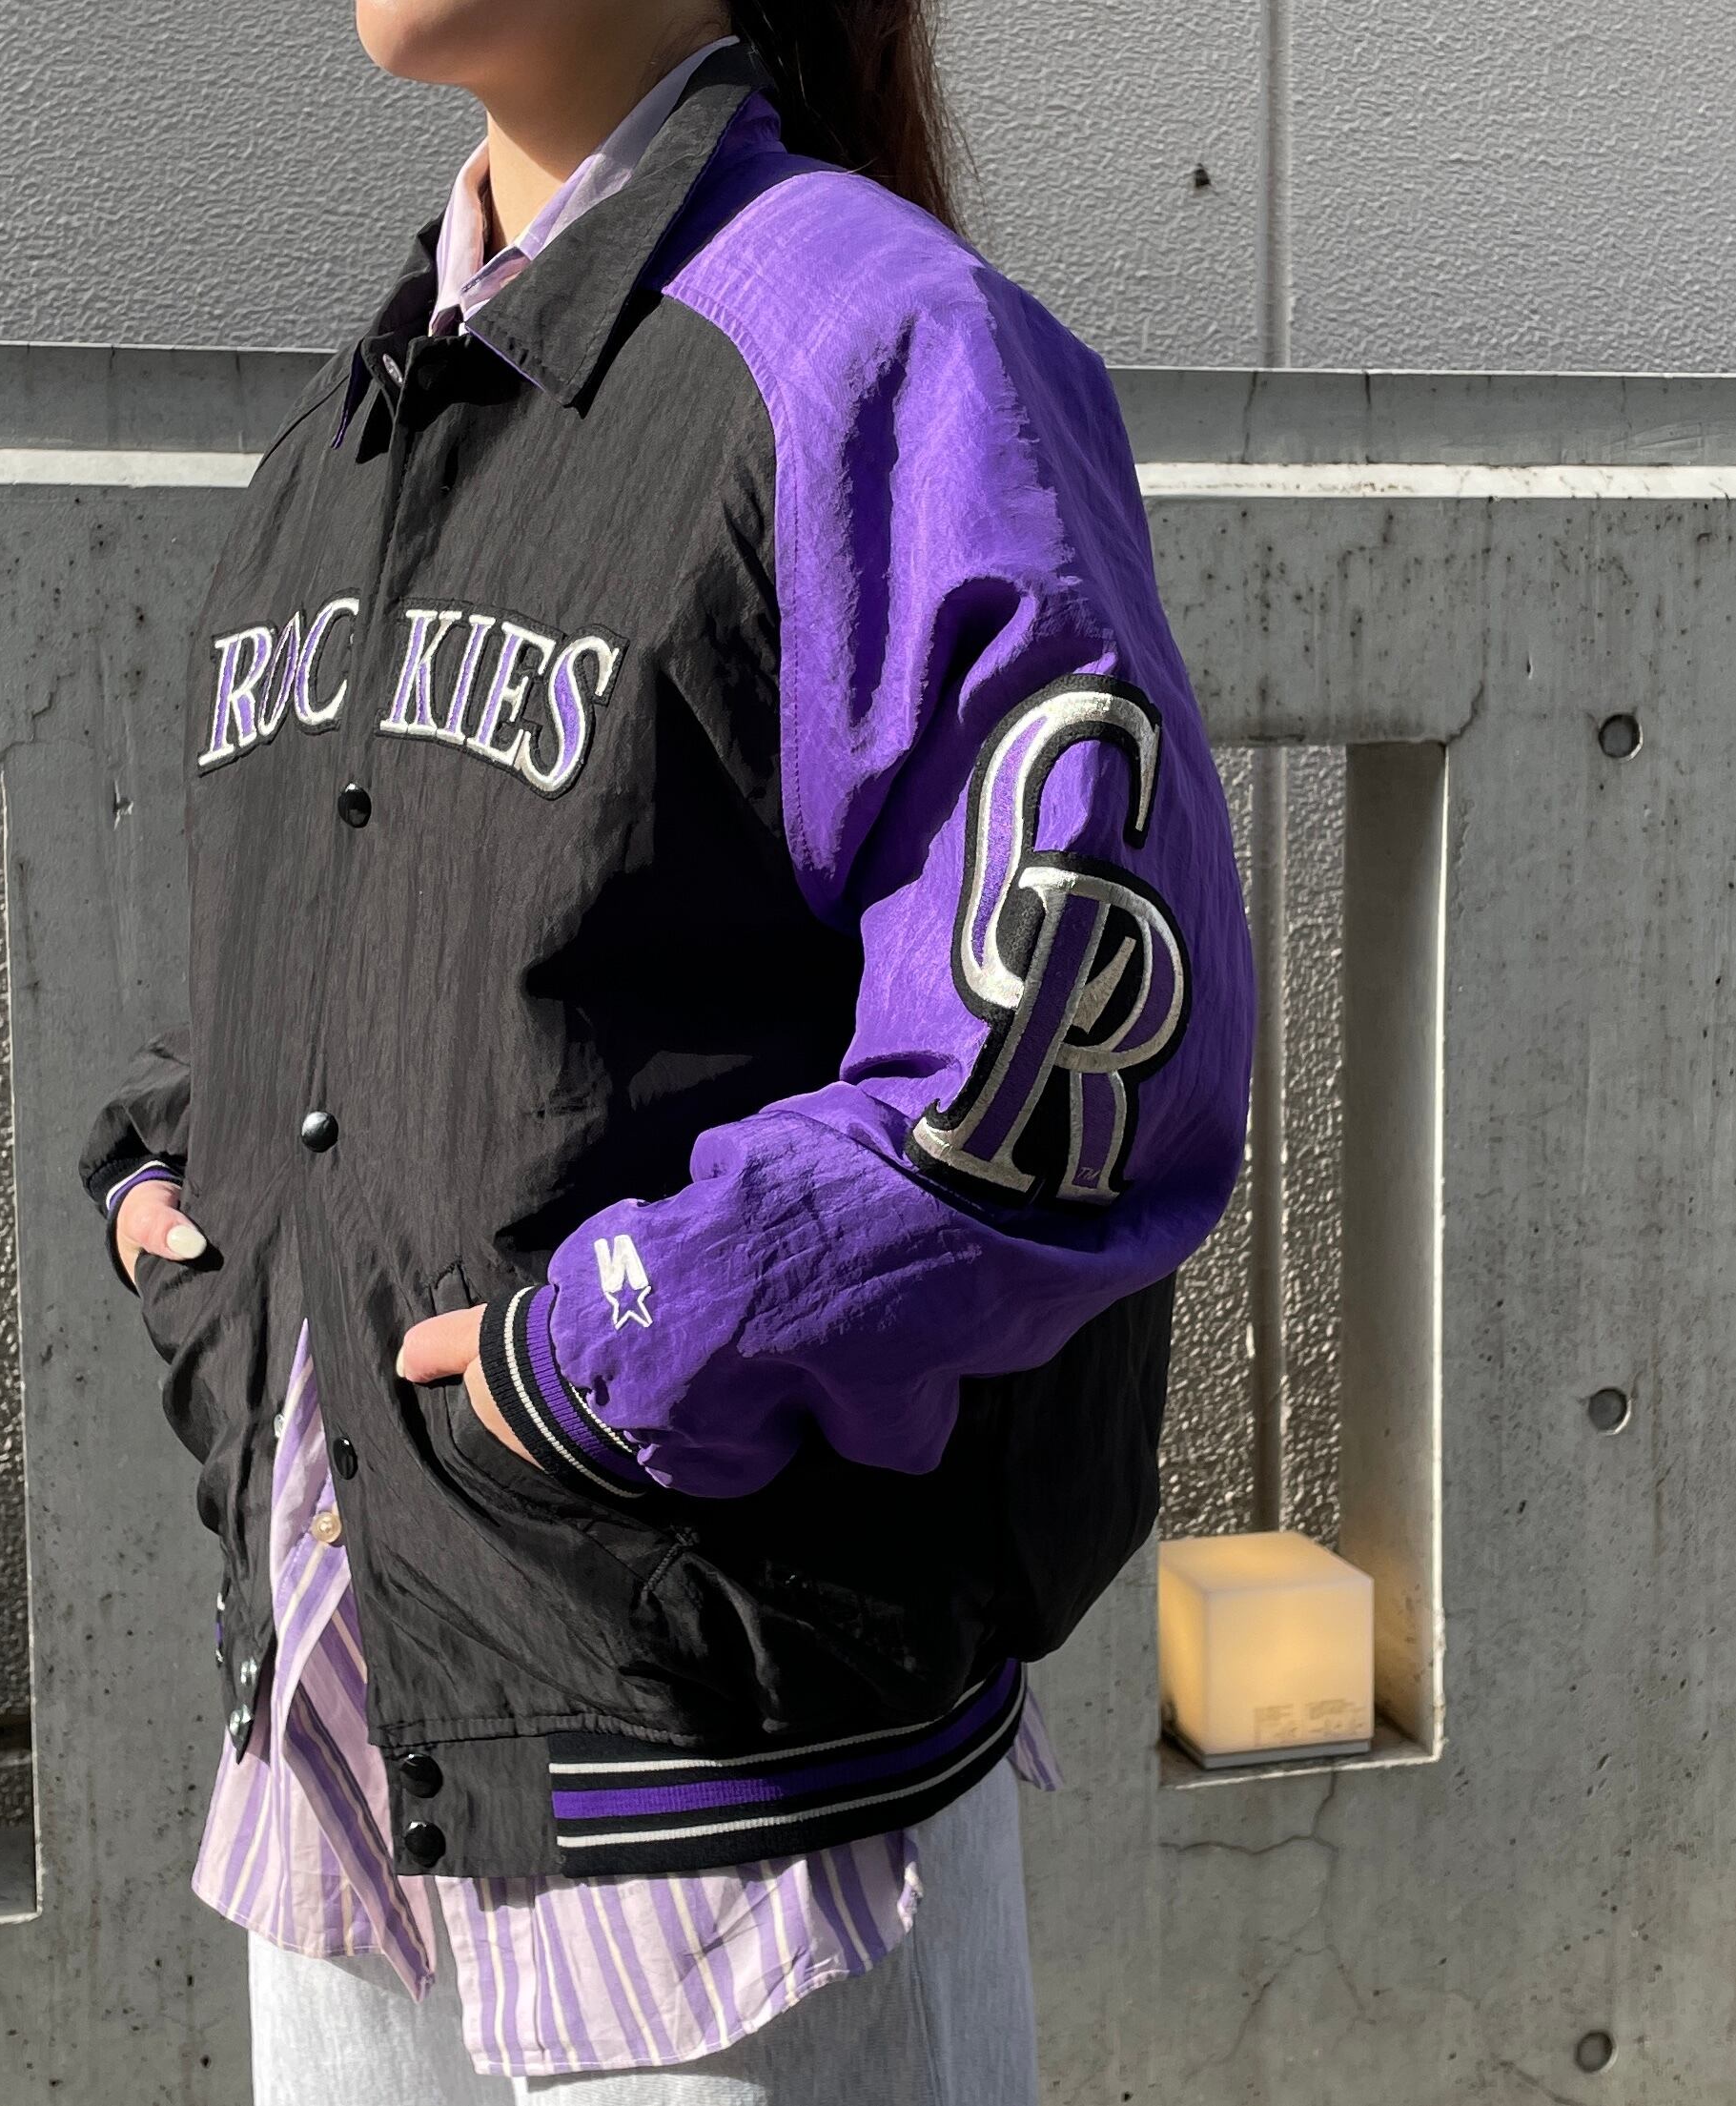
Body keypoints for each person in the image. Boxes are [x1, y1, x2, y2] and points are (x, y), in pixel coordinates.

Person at [78, 2, 1254, 2096]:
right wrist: (188, 1199)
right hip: (337, 1743)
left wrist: (605, 1347)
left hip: (720, 1808)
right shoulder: (352, 431)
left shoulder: (882, 348)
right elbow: (384, 944)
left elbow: (1069, 1053)